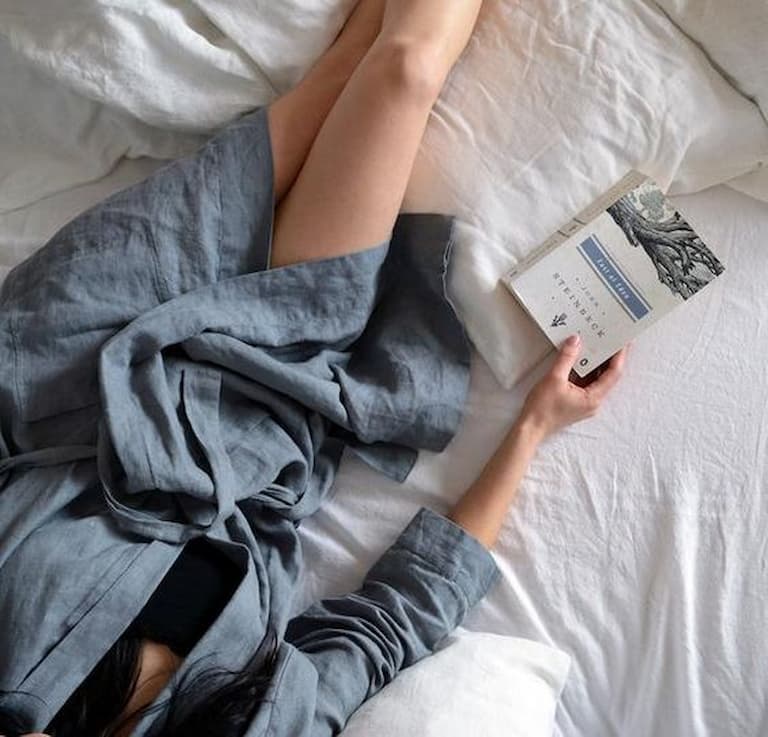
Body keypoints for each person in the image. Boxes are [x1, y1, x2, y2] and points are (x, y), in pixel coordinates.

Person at [0, 1, 627, 736]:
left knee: (347, 62)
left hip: (80, 353)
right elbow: (395, 621)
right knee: (402, 70)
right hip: (272, 379)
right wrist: (534, 426)